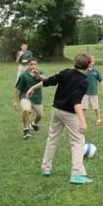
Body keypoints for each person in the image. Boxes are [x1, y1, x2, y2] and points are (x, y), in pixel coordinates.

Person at [26, 53, 93, 184]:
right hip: (70, 114)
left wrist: (33, 87)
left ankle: (45, 168)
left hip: (57, 111)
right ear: (88, 66)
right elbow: (76, 101)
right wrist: (83, 121)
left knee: (52, 138)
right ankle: (77, 174)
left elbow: (49, 80)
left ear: (75, 62)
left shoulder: (66, 72)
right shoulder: (84, 81)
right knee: (78, 142)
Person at [13, 58, 46, 139]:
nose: (33, 66)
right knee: (26, 110)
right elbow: (17, 89)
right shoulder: (23, 75)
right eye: (31, 64)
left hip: (37, 98)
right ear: (28, 65)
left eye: (35, 64)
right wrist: (15, 102)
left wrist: (38, 75)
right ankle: (26, 129)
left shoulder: (40, 72)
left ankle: (34, 124)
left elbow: (47, 81)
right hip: (25, 96)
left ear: (37, 65)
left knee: (40, 115)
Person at [81, 55, 103, 127]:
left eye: (91, 62)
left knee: (96, 107)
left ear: (93, 62)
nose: (89, 63)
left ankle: (98, 119)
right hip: (85, 93)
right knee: (84, 107)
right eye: (88, 62)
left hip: (94, 93)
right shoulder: (84, 71)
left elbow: (101, 80)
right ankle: (83, 121)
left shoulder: (96, 71)